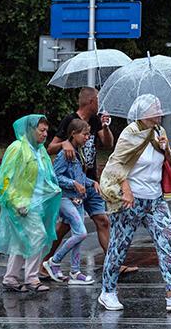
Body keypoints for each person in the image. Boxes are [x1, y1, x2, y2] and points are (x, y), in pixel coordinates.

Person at [98, 94, 171, 311]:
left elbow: (169, 164)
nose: (161, 112)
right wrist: (125, 189)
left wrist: (165, 148)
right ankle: (108, 292)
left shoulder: (159, 133)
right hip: (130, 200)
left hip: (155, 199)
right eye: (156, 108)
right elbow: (117, 164)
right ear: (143, 113)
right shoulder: (130, 133)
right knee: (119, 245)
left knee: (167, 239)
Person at [43, 88, 138, 276]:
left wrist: (105, 127)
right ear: (91, 101)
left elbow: (108, 144)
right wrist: (64, 143)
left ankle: (114, 264)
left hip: (91, 181)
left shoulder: (95, 121)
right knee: (66, 226)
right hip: (73, 186)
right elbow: (50, 148)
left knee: (103, 221)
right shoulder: (70, 121)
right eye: (99, 100)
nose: (101, 104)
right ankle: (45, 261)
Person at [0, 114, 62, 292]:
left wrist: (52, 189)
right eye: (42, 130)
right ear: (31, 129)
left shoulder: (40, 151)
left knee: (20, 242)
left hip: (37, 204)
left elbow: (45, 176)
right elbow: (5, 179)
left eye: (47, 130)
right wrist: (15, 202)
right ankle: (32, 278)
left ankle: (10, 278)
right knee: (38, 235)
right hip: (22, 204)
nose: (45, 134)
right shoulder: (17, 148)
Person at [43, 118, 97, 285]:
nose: (87, 137)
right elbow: (54, 177)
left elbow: (79, 177)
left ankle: (75, 271)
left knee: (77, 235)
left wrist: (92, 183)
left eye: (89, 134)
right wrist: (73, 184)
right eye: (85, 134)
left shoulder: (78, 152)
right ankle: (54, 261)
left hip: (78, 200)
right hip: (65, 199)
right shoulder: (64, 153)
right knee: (81, 233)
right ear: (73, 134)